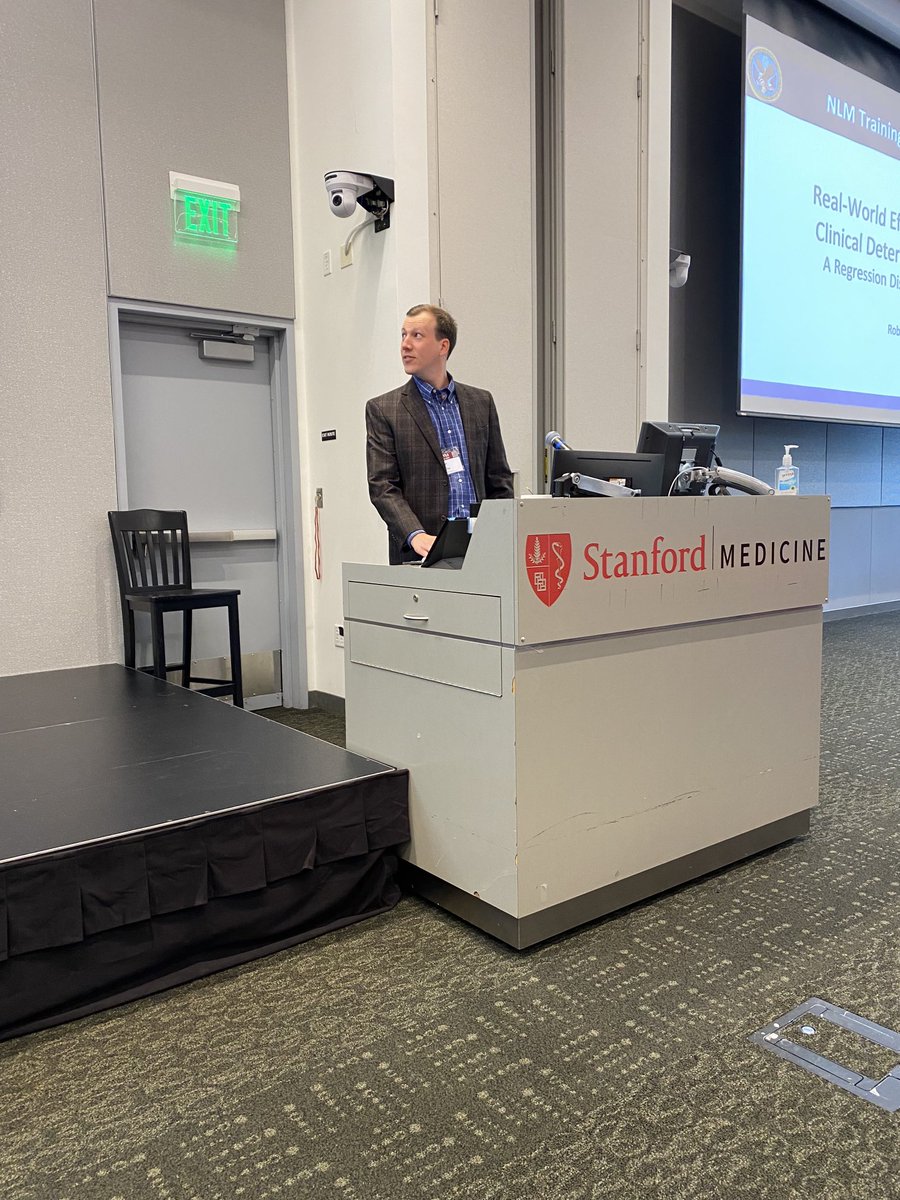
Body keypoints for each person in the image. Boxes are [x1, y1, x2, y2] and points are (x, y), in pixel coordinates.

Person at [366, 304, 514, 563]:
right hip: (421, 553)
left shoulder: (481, 402)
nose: (405, 345)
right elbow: (382, 486)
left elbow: (499, 479)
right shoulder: (384, 409)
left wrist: (499, 532)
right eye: (403, 335)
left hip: (481, 549)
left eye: (417, 336)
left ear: (443, 346)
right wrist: (415, 534)